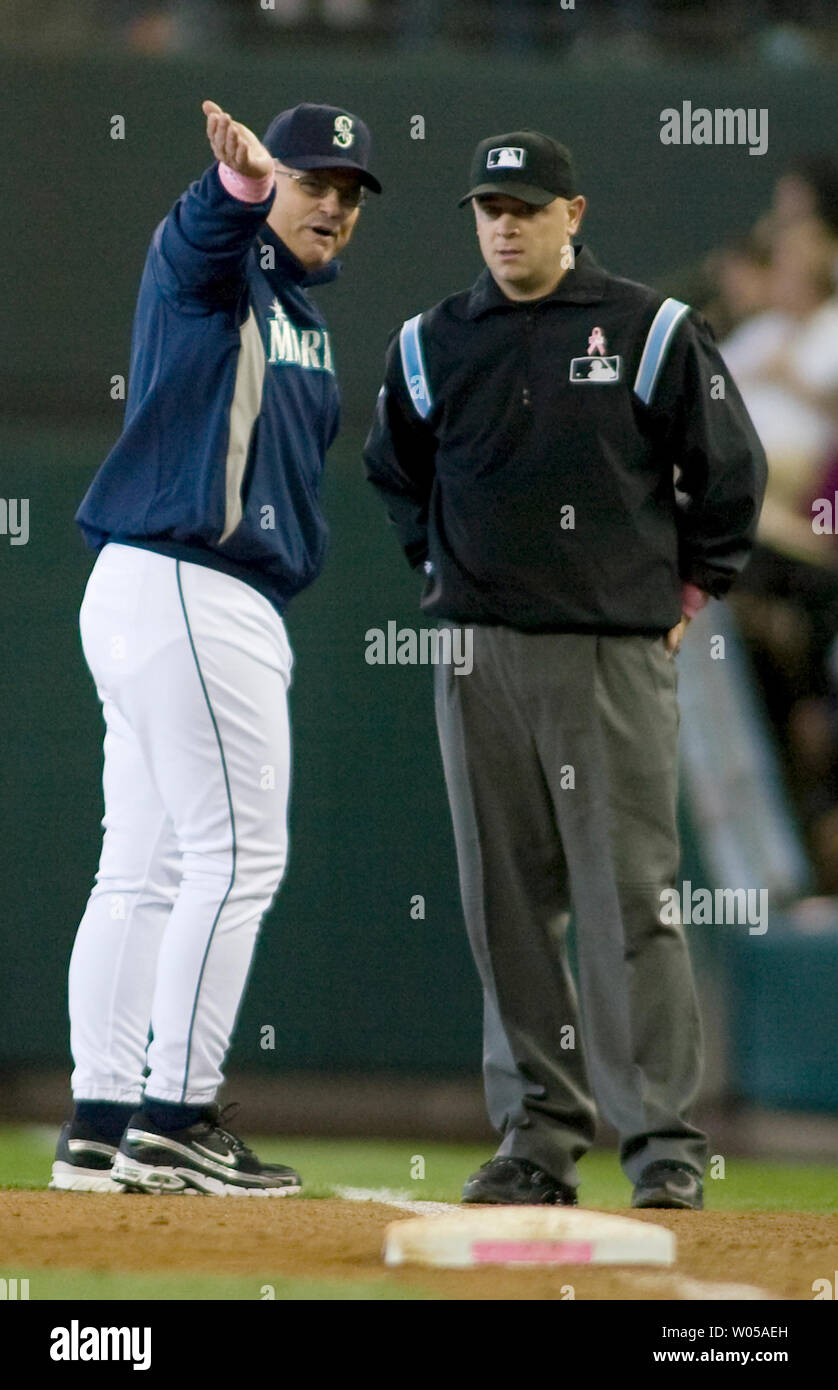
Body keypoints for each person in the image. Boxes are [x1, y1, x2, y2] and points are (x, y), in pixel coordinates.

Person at [364, 130, 766, 1208]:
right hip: (479, 653)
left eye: (525, 207)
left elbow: (731, 474)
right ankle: (535, 1141)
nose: (504, 225)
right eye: (489, 208)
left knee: (627, 898)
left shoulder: (650, 330)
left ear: (572, 215)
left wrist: (690, 589)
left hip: (609, 652)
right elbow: (392, 469)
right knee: (507, 905)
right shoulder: (432, 341)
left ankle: (664, 1148)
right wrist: (441, 566)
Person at [50, 99, 380, 1196]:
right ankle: (176, 1115)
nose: (330, 201)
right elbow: (193, 240)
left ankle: (99, 1123)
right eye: (312, 179)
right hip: (194, 582)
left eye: (348, 190)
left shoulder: (305, 316)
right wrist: (234, 185)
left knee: (143, 867)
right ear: (271, 182)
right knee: (237, 857)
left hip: (161, 591)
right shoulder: (216, 266)